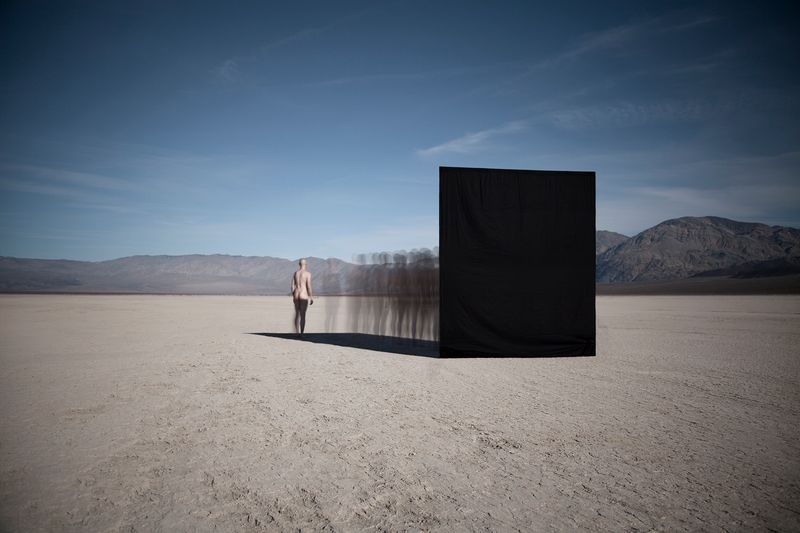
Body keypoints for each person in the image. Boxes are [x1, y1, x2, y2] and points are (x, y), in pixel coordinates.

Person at [291, 258, 313, 335]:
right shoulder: (307, 274)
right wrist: (311, 297)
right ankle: (302, 333)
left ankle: (297, 332)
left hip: (296, 294)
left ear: (299, 264)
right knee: (303, 315)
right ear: (305, 264)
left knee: (297, 314)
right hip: (304, 294)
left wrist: (293, 295)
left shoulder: (295, 273)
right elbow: (309, 286)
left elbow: (292, 286)